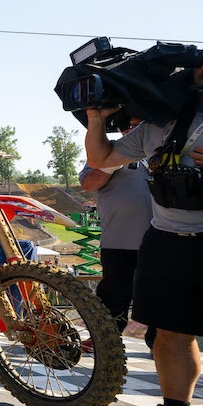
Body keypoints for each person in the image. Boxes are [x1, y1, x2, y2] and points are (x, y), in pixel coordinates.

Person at [85, 56, 203, 406]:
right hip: (167, 240)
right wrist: (96, 121)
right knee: (172, 332)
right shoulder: (161, 123)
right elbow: (100, 160)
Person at [78, 119, 153, 335]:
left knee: (159, 300)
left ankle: (159, 349)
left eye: (140, 124)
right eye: (127, 124)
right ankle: (104, 344)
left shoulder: (165, 147)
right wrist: (113, 162)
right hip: (118, 243)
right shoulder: (106, 151)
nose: (132, 129)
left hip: (161, 241)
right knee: (112, 299)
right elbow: (89, 183)